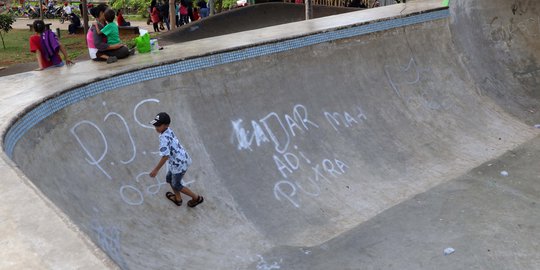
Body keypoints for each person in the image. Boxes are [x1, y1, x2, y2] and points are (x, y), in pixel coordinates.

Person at [149, 112, 204, 207]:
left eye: (158, 125)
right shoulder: (168, 130)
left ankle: (196, 198)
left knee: (177, 185)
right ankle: (178, 199)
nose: (156, 128)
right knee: (169, 179)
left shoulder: (163, 139)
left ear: (166, 125)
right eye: (155, 125)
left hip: (179, 164)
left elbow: (165, 156)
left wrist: (156, 170)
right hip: (179, 160)